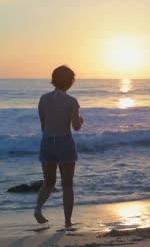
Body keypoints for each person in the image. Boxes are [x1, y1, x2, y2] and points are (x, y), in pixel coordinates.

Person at [34, 65, 83, 228]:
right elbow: (76, 126)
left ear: (53, 80)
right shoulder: (71, 101)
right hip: (64, 142)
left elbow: (43, 124)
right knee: (67, 184)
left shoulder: (43, 98)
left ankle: (38, 210)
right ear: (70, 82)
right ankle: (67, 221)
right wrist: (80, 120)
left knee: (48, 182)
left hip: (47, 141)